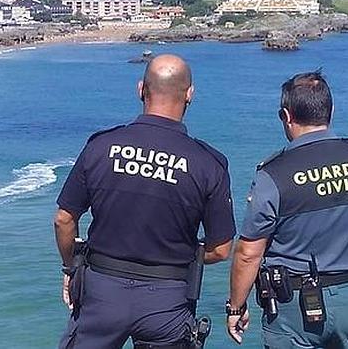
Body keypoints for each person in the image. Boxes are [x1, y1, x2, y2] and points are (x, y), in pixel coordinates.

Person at [226, 71, 348, 348]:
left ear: (286, 115)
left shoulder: (274, 175)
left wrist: (236, 306)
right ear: (331, 111)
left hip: (293, 307)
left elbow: (248, 253)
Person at [54, 54, 236, 349]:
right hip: (168, 298)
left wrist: (70, 268)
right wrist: (177, 253)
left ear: (141, 89)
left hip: (102, 291)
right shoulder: (208, 163)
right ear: (190, 94)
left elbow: (64, 218)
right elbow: (221, 249)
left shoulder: (101, 146)